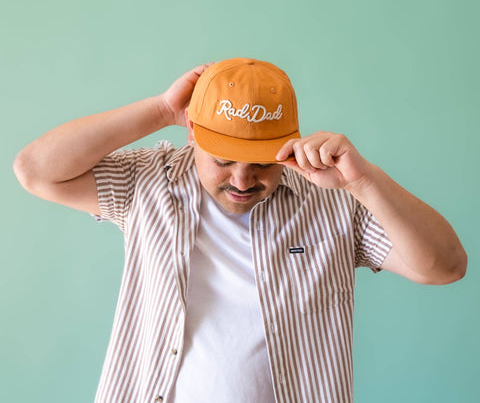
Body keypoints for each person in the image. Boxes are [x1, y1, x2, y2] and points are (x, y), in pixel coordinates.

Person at [14, 57, 467, 403]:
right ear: (193, 134)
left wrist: (363, 182)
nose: (242, 180)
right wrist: (161, 110)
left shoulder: (334, 202)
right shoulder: (148, 183)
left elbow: (445, 266)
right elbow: (35, 171)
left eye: (261, 164)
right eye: (224, 161)